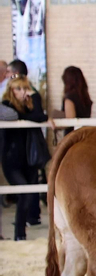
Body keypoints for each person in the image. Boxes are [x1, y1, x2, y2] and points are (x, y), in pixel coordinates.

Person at [2, 75, 47, 240]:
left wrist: (31, 98)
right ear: (11, 90)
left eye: (24, 88)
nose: (22, 92)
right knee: (25, 194)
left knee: (28, 195)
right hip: (11, 160)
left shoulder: (30, 104)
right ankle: (19, 234)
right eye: (18, 88)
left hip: (29, 160)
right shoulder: (6, 105)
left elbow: (40, 116)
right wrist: (26, 117)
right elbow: (13, 116)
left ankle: (20, 234)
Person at [50, 66, 94, 135]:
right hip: (85, 135)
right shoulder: (85, 97)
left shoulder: (70, 97)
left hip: (72, 137)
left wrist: (55, 124)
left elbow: (70, 120)